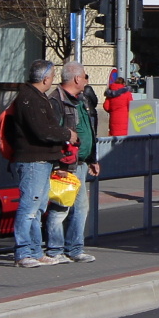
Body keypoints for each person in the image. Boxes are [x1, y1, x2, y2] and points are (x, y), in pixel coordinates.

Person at [8, 59, 77, 268]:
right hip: (32, 160)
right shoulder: (29, 99)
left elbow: (46, 128)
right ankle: (23, 252)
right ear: (45, 78)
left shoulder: (37, 97)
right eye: (53, 75)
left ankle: (36, 251)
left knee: (37, 209)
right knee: (29, 208)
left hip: (42, 159)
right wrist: (66, 134)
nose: (53, 79)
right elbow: (42, 130)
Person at [44, 62, 100, 263]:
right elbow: (53, 132)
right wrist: (60, 164)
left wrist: (92, 158)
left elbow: (88, 129)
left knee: (80, 208)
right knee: (61, 207)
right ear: (77, 79)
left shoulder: (81, 100)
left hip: (81, 162)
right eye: (85, 76)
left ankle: (75, 248)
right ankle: (55, 250)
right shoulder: (56, 101)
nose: (86, 80)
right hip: (66, 164)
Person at [103, 67, 133, 137]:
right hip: (124, 119)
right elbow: (131, 106)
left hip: (113, 119)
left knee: (113, 138)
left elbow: (106, 106)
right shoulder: (127, 94)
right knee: (123, 139)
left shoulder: (110, 93)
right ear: (123, 84)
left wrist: (112, 111)